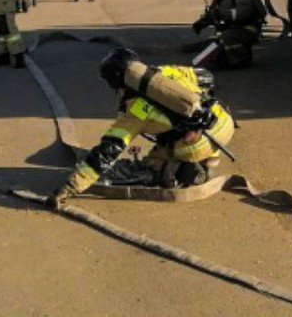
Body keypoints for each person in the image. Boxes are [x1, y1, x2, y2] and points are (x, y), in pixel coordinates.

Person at [48, 48, 234, 208]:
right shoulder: (165, 72)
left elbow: (107, 152)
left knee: (149, 166)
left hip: (195, 144)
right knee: (177, 130)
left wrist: (69, 188)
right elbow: (207, 77)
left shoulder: (136, 110)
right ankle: (209, 162)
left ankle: (171, 170)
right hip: (224, 123)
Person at [192, 0, 268, 68]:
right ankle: (226, 57)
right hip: (236, 30)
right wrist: (201, 23)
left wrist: (220, 14)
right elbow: (213, 14)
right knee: (200, 60)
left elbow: (241, 14)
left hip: (249, 29)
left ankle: (238, 61)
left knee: (227, 37)